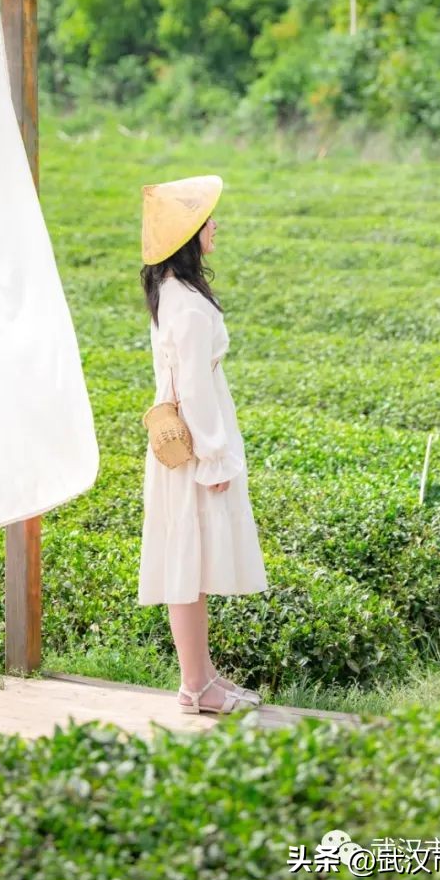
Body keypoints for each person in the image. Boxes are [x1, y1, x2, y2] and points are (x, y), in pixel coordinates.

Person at [137, 174, 268, 714]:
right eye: (208, 218)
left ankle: (203, 677)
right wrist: (214, 456)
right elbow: (191, 386)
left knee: (190, 560)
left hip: (187, 444)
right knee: (187, 563)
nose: (216, 225)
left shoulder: (173, 290)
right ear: (190, 234)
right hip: (192, 448)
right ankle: (195, 685)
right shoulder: (186, 303)